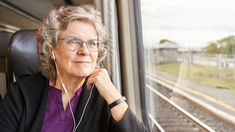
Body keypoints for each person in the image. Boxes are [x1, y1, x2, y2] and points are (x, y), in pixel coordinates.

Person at [0, 5, 149, 132]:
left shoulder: (104, 97)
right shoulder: (20, 93)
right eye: (73, 41)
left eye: (92, 43)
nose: (85, 50)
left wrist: (114, 97)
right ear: (52, 49)